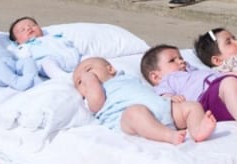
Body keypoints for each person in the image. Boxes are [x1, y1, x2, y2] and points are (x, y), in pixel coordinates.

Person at [73, 56, 217, 144]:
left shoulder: (126, 78)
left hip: (163, 110)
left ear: (110, 69)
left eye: (89, 70)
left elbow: (149, 93)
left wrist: (167, 98)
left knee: (192, 106)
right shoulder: (93, 95)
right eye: (79, 82)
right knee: (135, 112)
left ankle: (197, 130)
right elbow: (97, 102)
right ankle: (169, 136)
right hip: (131, 122)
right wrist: (90, 80)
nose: (84, 79)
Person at [8, 17, 82, 79]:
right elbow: (22, 58)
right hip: (48, 60)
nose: (28, 28)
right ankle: (63, 77)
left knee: (88, 58)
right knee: (47, 63)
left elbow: (69, 44)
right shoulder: (24, 47)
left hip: (72, 57)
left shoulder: (53, 37)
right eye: (22, 30)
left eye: (32, 25)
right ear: (17, 41)